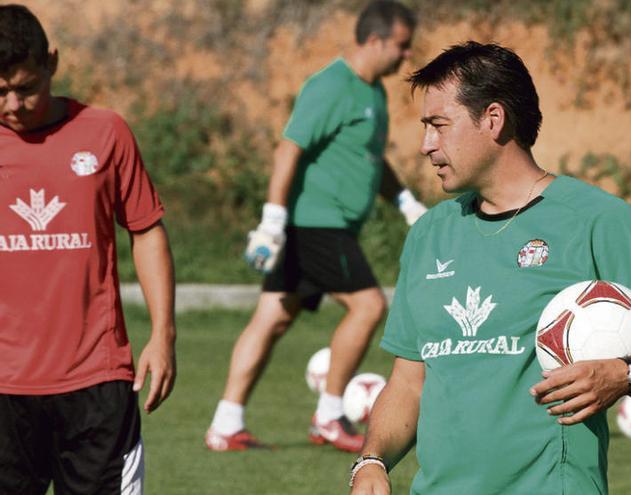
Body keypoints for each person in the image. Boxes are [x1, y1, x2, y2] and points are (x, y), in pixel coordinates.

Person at [349, 41, 631, 495]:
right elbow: (409, 381)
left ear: (493, 120)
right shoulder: (429, 234)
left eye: (439, 126)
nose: (426, 146)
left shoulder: (598, 220)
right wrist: (371, 460)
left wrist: (624, 373)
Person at [205, 0, 426, 454]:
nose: (407, 56)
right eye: (402, 47)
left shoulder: (373, 94)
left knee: (274, 316)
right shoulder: (330, 86)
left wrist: (404, 201)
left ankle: (225, 424)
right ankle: (329, 416)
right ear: (375, 40)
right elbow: (289, 150)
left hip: (327, 226)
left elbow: (366, 157)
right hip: (316, 224)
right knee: (367, 307)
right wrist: (272, 221)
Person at [0, 5, 177, 494]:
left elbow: (146, 230)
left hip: (95, 385)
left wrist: (163, 335)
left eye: (26, 87)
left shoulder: (105, 132)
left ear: (51, 62)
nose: (13, 104)